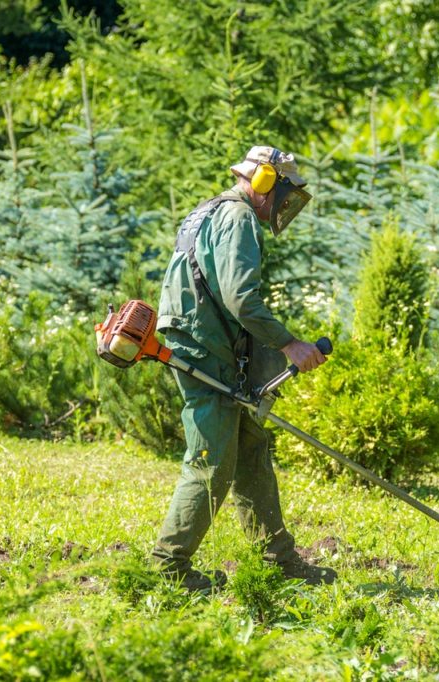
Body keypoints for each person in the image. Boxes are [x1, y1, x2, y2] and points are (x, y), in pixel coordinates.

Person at [151, 145, 337, 591]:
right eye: (283, 190)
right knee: (211, 463)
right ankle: (167, 569)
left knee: (251, 448)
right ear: (265, 182)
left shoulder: (208, 212)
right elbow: (239, 298)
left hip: (205, 343)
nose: (284, 203)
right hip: (205, 348)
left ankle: (277, 559)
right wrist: (289, 344)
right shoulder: (238, 218)